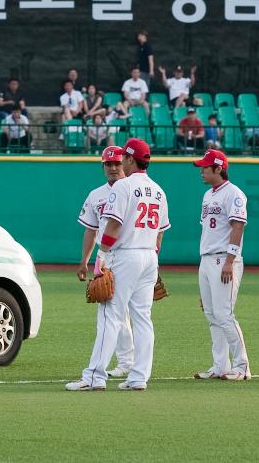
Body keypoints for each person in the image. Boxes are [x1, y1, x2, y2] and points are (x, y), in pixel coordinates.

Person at [68, 138, 168, 391]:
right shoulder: (158, 190)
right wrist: (151, 257)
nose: (120, 162)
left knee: (109, 315)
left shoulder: (123, 188)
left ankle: (94, 377)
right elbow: (161, 231)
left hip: (124, 255)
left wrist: (101, 254)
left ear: (131, 159)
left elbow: (113, 225)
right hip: (149, 255)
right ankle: (138, 378)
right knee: (143, 318)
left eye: (124, 157)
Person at [74, 146, 136, 381]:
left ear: (125, 163)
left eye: (116, 163)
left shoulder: (133, 190)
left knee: (123, 311)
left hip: (127, 254)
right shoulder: (96, 195)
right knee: (114, 309)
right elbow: (91, 230)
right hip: (106, 255)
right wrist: (85, 261)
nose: (112, 168)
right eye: (108, 164)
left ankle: (129, 363)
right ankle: (127, 362)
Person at [192, 150, 250, 381]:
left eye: (205, 167)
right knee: (212, 314)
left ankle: (242, 366)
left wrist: (229, 260)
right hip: (207, 259)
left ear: (218, 168)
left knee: (224, 314)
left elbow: (238, 227)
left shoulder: (234, 193)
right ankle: (220, 366)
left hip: (224, 260)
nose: (201, 170)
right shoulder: (208, 195)